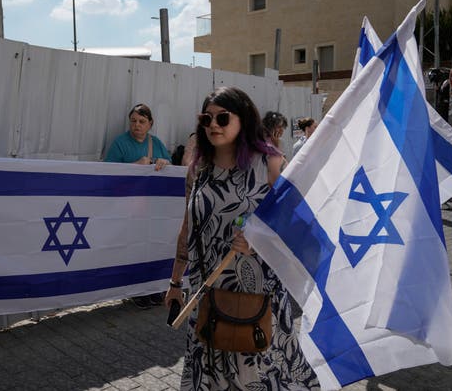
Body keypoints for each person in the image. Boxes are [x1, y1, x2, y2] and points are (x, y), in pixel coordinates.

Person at [165, 87, 319, 390]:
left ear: (243, 119)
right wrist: (174, 283)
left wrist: (258, 241)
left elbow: (299, 223)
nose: (213, 125)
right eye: (206, 118)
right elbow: (187, 225)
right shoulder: (199, 169)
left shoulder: (269, 165)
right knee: (209, 368)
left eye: (223, 117)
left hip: (257, 296)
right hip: (206, 291)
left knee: (256, 372)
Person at [104, 103, 171, 308]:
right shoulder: (120, 143)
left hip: (150, 207)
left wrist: (163, 163)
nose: (137, 125)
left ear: (150, 124)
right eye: (133, 121)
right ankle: (137, 290)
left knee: (152, 246)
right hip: (128, 206)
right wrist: (135, 166)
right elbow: (107, 172)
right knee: (133, 247)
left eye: (142, 121)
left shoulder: (156, 143)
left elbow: (169, 164)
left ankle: (153, 288)